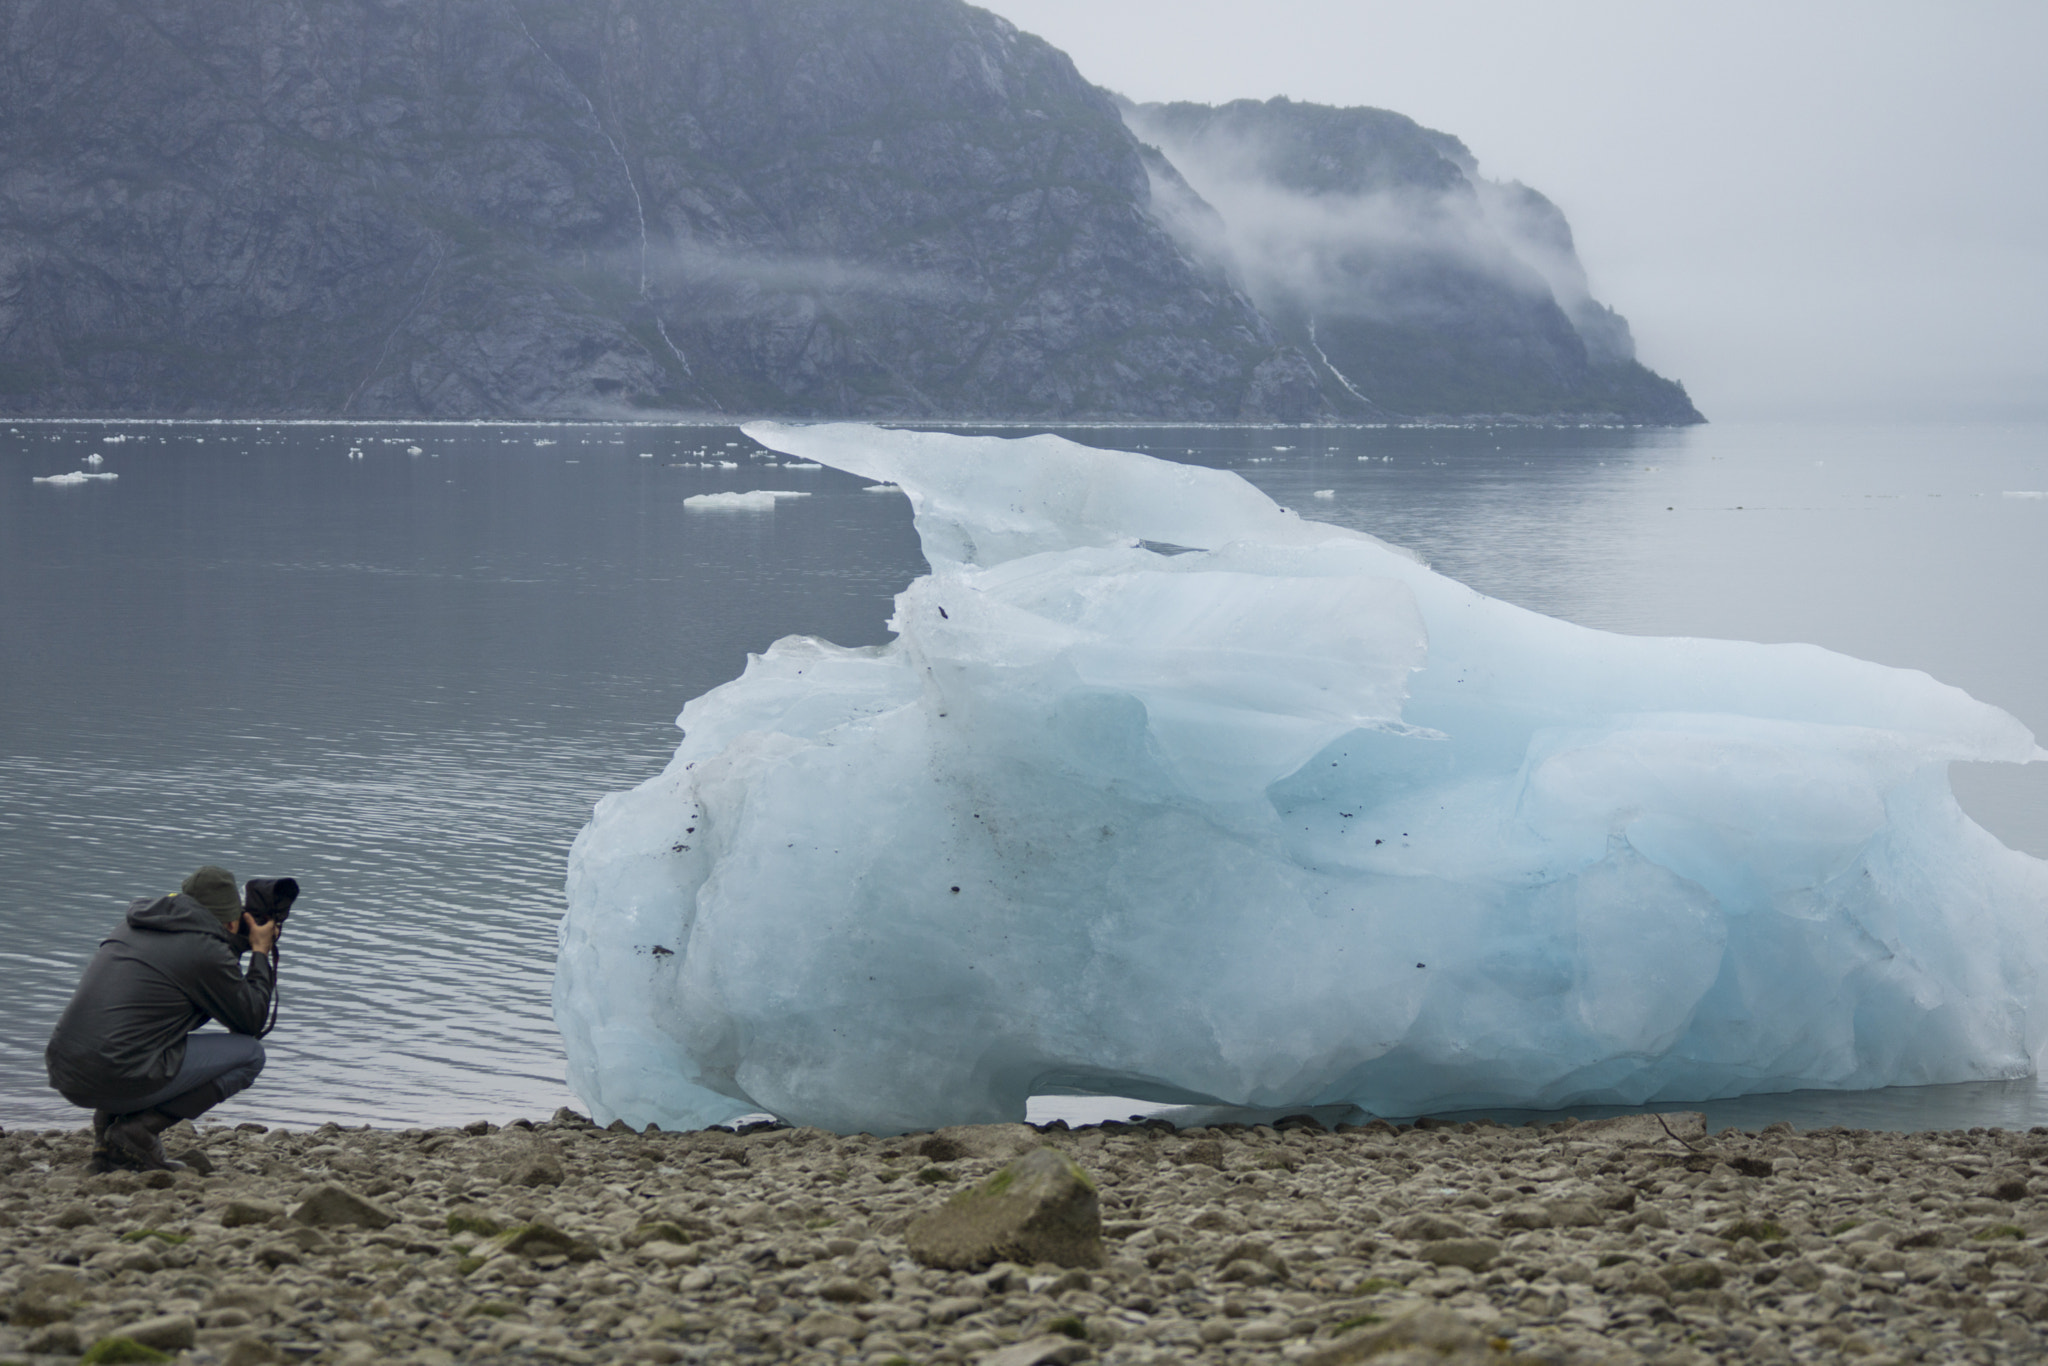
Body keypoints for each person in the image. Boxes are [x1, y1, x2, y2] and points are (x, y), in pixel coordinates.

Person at [45, 865, 282, 1172]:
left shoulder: (132, 925)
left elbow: (188, 970)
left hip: (68, 1072)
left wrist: (234, 945)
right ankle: (138, 1131)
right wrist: (260, 952)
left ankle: (105, 1145)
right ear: (232, 920)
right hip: (113, 1075)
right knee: (250, 1055)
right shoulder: (206, 951)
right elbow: (250, 1021)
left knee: (131, 1033)